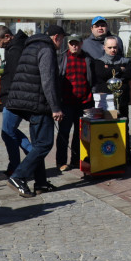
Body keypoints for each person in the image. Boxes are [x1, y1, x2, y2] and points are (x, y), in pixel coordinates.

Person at [6, 24, 66, 198]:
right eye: (62, 39)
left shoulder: (32, 46)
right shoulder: (46, 50)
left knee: (38, 144)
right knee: (44, 144)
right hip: (38, 103)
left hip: (27, 101)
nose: (62, 43)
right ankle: (18, 176)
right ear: (56, 37)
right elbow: (48, 80)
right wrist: (55, 107)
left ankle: (40, 183)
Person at [90, 35, 131, 165]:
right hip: (106, 102)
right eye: (110, 47)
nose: (113, 50)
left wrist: (110, 70)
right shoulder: (99, 61)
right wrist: (118, 70)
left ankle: (127, 155)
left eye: (115, 47)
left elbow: (129, 74)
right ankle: (106, 156)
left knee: (124, 128)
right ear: (104, 47)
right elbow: (100, 75)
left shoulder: (125, 60)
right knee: (106, 129)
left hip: (122, 101)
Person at [0, 25, 32, 176]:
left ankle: (20, 164)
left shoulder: (15, 51)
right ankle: (32, 159)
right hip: (15, 97)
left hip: (14, 98)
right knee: (10, 131)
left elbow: (16, 76)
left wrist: (7, 96)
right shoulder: (15, 48)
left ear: (8, 37)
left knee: (8, 132)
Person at [55, 34, 93, 172]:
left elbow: (91, 79)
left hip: (84, 102)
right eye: (72, 43)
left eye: (76, 43)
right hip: (66, 102)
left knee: (80, 133)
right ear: (68, 44)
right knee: (63, 132)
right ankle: (61, 162)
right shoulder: (62, 58)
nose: (74, 46)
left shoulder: (87, 59)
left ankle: (76, 160)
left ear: (81, 44)